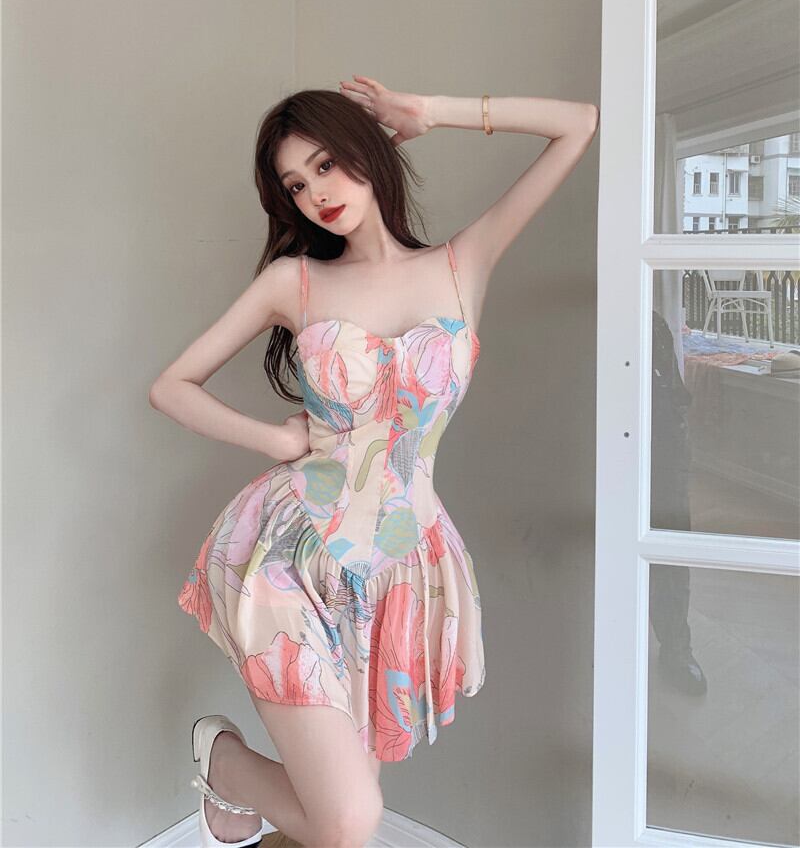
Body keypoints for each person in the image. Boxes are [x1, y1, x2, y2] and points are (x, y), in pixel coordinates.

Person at [149, 78, 599, 848]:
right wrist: (276, 441)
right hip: (294, 551)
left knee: (343, 813)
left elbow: (578, 124)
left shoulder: (461, 264)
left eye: (325, 164)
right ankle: (221, 759)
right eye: (296, 184)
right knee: (351, 818)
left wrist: (435, 112)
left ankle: (230, 781)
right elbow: (171, 386)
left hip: (399, 564)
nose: (316, 193)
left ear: (364, 152)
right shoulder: (294, 282)